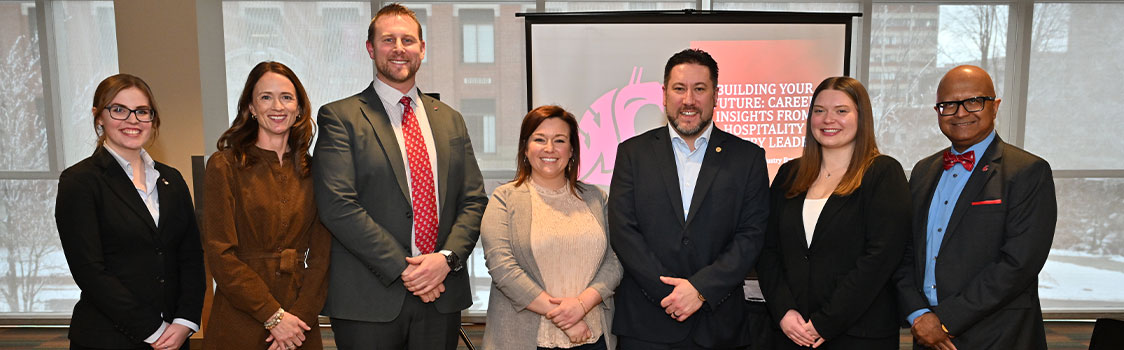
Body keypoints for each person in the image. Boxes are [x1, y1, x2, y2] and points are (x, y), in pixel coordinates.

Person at [311, 3, 487, 349]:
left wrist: (446, 259)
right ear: (371, 48)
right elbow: (337, 206)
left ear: (422, 49)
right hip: (369, 301)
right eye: (388, 39)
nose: (399, 48)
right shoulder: (340, 117)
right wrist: (408, 270)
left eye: (408, 40)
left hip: (440, 297)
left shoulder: (450, 119)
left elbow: (473, 199)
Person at [608, 48, 770, 350]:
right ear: (664, 93)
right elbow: (623, 230)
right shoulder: (632, 153)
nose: (689, 100)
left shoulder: (748, 158)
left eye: (700, 89)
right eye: (679, 89)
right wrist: (667, 293)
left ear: (715, 95)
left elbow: (751, 235)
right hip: (645, 324)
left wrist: (700, 289)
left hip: (718, 325)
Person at [895, 65, 1057, 350]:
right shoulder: (923, 171)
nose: (960, 113)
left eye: (973, 101)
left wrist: (944, 320)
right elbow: (904, 251)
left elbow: (1019, 264)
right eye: (949, 105)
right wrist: (919, 315)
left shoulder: (1028, 171)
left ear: (994, 107)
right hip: (927, 334)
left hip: (998, 334)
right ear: (937, 112)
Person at [756, 77, 909, 349]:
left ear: (861, 118)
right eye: (819, 110)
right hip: (791, 333)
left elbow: (880, 258)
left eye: (841, 111)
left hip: (857, 334)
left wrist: (826, 322)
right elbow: (769, 251)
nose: (828, 119)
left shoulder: (883, 173)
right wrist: (783, 311)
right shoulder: (788, 174)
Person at [56, 74, 205, 350]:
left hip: (175, 337)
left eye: (142, 112)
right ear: (98, 117)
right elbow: (90, 271)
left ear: (153, 119)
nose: (132, 120)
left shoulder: (171, 179)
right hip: (109, 339)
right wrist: (153, 329)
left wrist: (185, 320)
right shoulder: (80, 181)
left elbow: (192, 256)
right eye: (119, 109)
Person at [201, 61, 331, 350]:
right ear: (251, 107)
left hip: (299, 322)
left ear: (299, 108)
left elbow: (322, 257)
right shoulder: (224, 166)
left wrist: (298, 319)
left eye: (286, 97)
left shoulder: (317, 171)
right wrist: (274, 317)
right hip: (239, 316)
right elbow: (220, 254)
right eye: (265, 97)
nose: (277, 106)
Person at [481, 105, 623, 350]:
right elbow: (503, 268)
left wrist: (581, 305)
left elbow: (616, 258)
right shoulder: (504, 198)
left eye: (559, 140)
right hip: (522, 339)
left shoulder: (596, 198)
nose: (549, 148)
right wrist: (566, 318)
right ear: (525, 149)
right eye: (539, 139)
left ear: (571, 151)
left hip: (593, 336)